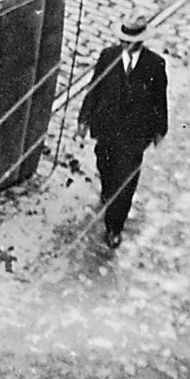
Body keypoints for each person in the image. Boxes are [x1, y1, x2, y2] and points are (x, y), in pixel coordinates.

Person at [76, 16, 170, 250]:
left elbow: (160, 100)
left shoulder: (155, 64)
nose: (127, 45)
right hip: (106, 129)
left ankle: (114, 227)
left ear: (141, 42)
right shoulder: (108, 56)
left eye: (132, 42)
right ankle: (108, 193)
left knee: (125, 183)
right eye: (124, 40)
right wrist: (84, 119)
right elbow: (94, 88)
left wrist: (159, 129)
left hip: (135, 135)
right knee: (106, 168)